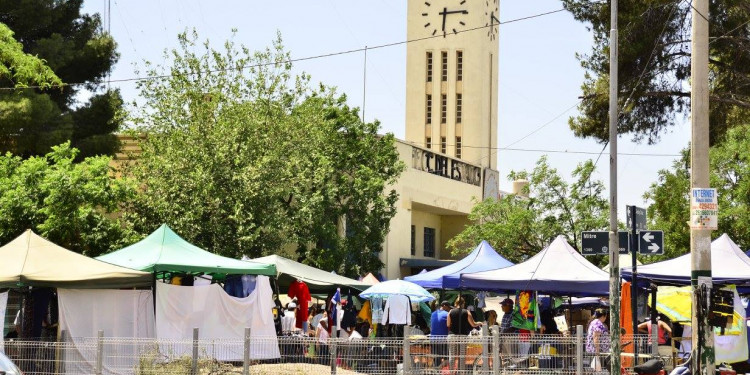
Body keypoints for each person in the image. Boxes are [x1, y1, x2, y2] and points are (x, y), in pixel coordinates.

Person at [447, 297, 483, 372]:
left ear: (456, 303)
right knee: (462, 356)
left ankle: (451, 372)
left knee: (452, 356)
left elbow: (448, 324)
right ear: (463, 303)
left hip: (452, 336)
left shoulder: (450, 311)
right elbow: (473, 324)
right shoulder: (467, 312)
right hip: (463, 336)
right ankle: (461, 372)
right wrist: (479, 322)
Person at [430, 301, 451, 367]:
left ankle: (437, 369)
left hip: (433, 339)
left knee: (436, 358)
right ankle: (440, 368)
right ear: (444, 306)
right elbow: (449, 325)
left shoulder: (433, 314)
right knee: (447, 358)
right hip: (443, 339)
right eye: (448, 308)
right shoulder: (447, 314)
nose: (449, 309)